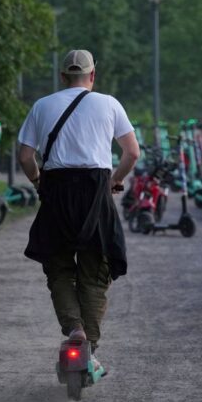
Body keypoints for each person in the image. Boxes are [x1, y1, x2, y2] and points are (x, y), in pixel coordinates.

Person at [17, 49, 140, 371]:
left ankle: (74, 329)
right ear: (92, 75)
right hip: (95, 194)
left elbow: (26, 156)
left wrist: (37, 182)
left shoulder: (42, 105)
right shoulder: (109, 104)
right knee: (95, 274)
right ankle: (89, 350)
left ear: (62, 77)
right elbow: (132, 153)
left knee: (58, 269)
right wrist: (115, 180)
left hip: (56, 192)